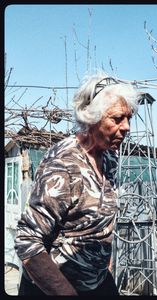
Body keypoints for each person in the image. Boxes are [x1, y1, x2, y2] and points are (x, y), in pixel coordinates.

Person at [14, 74, 140, 295]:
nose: (127, 127)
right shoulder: (63, 164)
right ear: (92, 118)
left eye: (129, 118)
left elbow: (97, 219)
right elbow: (27, 242)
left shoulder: (109, 156)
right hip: (56, 288)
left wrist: (102, 259)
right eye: (118, 118)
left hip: (97, 281)